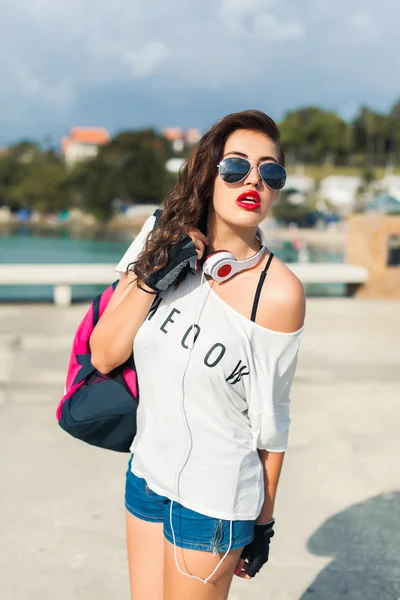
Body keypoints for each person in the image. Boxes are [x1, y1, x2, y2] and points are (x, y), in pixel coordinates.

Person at [90, 110, 306, 600]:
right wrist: (154, 275)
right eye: (235, 167)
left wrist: (263, 522)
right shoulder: (158, 237)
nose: (253, 179)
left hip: (214, 501)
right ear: (208, 174)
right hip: (146, 479)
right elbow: (104, 353)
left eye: (270, 172)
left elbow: (272, 423)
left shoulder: (278, 293)